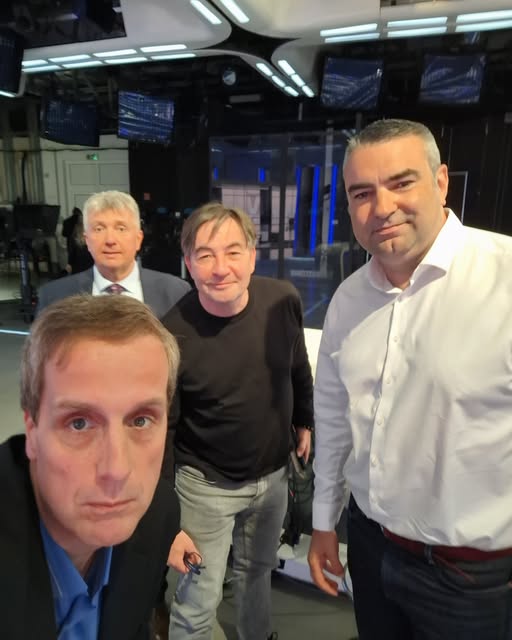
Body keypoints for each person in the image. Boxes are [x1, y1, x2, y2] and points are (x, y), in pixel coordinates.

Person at [307, 118, 512, 640]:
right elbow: (333, 419)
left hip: (473, 576)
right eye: (361, 193)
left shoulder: (505, 277)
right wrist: (324, 520)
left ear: (441, 182)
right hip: (371, 546)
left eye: (401, 183)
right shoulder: (349, 299)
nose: (381, 207)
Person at [161, 202, 314, 640]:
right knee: (198, 598)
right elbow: (163, 431)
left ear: (252, 256)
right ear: (188, 262)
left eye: (232, 252)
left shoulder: (282, 299)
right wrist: (165, 519)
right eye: (205, 255)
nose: (220, 268)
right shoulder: (171, 334)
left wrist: (304, 419)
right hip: (204, 486)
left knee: (257, 573)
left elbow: (297, 365)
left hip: (273, 477)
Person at [0, 294, 183, 639]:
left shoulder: (157, 514)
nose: (117, 470)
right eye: (79, 423)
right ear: (32, 430)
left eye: (141, 420)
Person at [36, 191, 190, 318]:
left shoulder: (175, 292)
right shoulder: (54, 297)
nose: (110, 240)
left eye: (121, 228)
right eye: (99, 229)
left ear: (138, 239)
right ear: (87, 240)